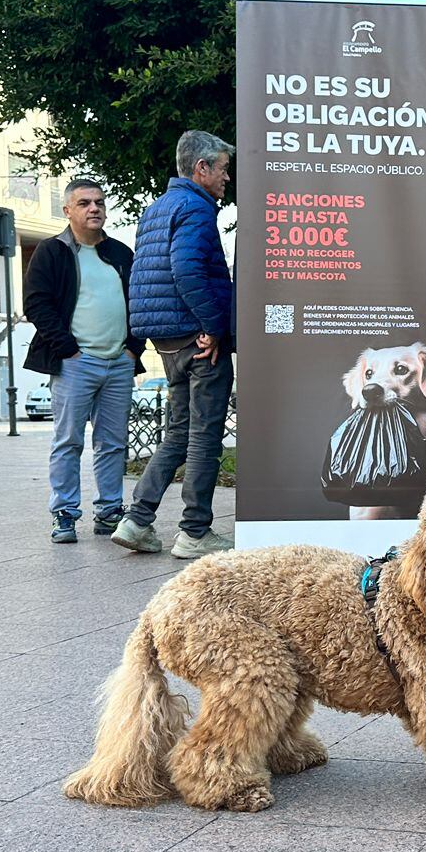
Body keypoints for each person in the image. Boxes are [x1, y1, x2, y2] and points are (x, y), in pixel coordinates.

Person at [112, 131, 236, 561]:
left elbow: (149, 276)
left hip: (167, 339)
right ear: (201, 168)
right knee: (204, 437)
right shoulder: (196, 209)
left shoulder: (157, 209)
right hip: (198, 341)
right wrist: (214, 326)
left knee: (178, 434)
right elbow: (186, 270)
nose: (226, 178)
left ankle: (136, 520)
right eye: (222, 168)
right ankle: (195, 532)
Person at [22, 176, 142, 545]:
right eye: (86, 203)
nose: (94, 209)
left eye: (100, 203)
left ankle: (109, 511)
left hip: (118, 362)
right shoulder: (52, 251)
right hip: (76, 362)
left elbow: (139, 302)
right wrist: (68, 349)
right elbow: (36, 304)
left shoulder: (121, 254)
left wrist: (132, 348)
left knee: (113, 442)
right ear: (68, 210)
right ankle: (65, 513)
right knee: (68, 440)